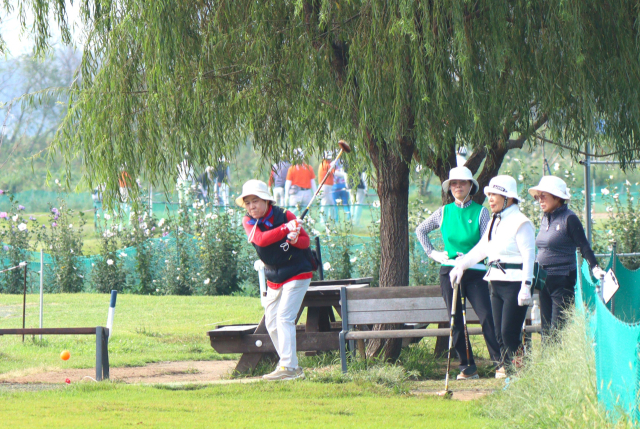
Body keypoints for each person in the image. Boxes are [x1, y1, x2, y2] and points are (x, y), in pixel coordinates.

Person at [416, 166, 501, 380]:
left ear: (470, 186)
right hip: (450, 272)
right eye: (454, 183)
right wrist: (433, 253)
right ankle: (467, 367)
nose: (458, 187)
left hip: (475, 270)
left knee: (486, 316)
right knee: (455, 321)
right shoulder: (444, 211)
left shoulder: (481, 212)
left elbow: (485, 242)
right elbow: (420, 230)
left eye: (462, 183)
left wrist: (470, 259)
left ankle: (500, 364)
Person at [450, 175, 536, 378]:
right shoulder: (495, 221)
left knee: (509, 333)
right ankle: (511, 373)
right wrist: (461, 265)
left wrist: (527, 284)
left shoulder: (521, 222)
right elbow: (482, 249)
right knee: (498, 334)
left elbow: (529, 256)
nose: (490, 199)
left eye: (494, 195)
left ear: (508, 198)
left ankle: (519, 374)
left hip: (516, 284)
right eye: (489, 195)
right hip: (495, 282)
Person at [237, 179, 312, 380]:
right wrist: (286, 229)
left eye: (256, 201)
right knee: (271, 322)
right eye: (248, 202)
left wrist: (295, 239)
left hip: (297, 273)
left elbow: (305, 242)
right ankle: (291, 367)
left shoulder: (286, 215)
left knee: (284, 318)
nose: (252, 206)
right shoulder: (249, 222)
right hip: (275, 277)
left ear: (266, 201)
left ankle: (287, 367)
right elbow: (261, 239)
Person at [528, 176, 605, 337]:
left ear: (557, 197)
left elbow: (584, 246)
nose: (540, 200)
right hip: (543, 280)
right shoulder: (545, 218)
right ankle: (547, 362)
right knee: (546, 329)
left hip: (562, 280)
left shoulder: (569, 218)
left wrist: (595, 267)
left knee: (557, 331)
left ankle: (558, 360)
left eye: (544, 196)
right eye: (538, 196)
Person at [317, 152, 336, 222]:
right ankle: (324, 221)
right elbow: (335, 172)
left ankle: (331, 220)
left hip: (327, 187)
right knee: (325, 204)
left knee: (330, 204)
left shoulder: (325, 164)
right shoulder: (326, 165)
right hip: (325, 187)